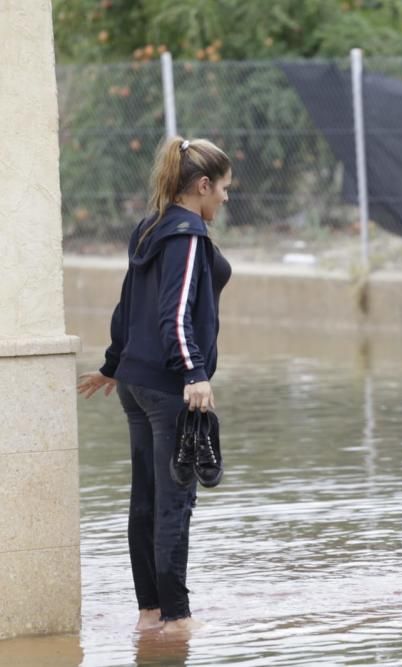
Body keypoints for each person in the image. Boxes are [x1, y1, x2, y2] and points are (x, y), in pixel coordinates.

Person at [77, 136, 232, 634]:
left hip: (134, 382)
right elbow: (174, 313)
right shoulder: (186, 235)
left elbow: (128, 305)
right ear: (203, 186)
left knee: (145, 498)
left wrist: (113, 363)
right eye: (224, 188)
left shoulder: (149, 228)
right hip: (169, 388)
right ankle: (178, 619)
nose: (226, 198)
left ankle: (149, 613)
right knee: (174, 503)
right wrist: (195, 373)